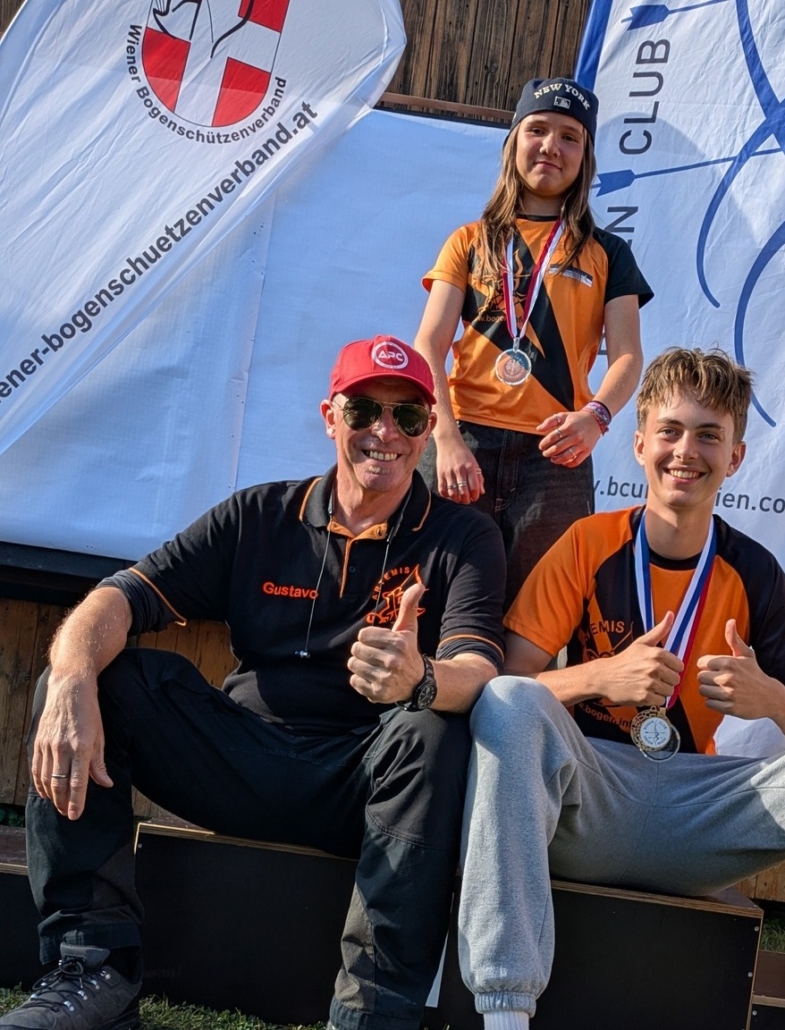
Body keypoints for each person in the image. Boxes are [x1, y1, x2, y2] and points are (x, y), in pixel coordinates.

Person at [3, 336, 506, 1030]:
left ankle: (374, 1013)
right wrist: (69, 679)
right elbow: (120, 596)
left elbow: (478, 673)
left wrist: (421, 679)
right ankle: (94, 971)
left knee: (432, 731)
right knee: (91, 679)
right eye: (364, 410)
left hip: (360, 780)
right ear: (330, 417)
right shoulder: (258, 515)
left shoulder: (465, 536)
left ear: (428, 431)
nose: (385, 432)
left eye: (408, 415)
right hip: (240, 759)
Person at [457, 347, 785, 1030]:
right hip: (587, 802)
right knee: (506, 702)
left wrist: (774, 702)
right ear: (639, 443)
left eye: (709, 435)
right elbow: (505, 686)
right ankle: (504, 1012)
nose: (686, 451)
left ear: (736, 457)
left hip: (696, 815)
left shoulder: (754, 573)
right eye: (670, 431)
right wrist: (600, 676)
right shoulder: (588, 543)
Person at [414, 75, 653, 607]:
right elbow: (428, 345)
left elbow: (628, 356)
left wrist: (595, 418)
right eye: (538, 130)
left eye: (570, 136)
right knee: (431, 601)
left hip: (556, 458)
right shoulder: (469, 241)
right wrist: (445, 436)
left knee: (535, 615)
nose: (551, 146)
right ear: (513, 143)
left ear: (585, 157)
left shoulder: (609, 253)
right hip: (464, 445)